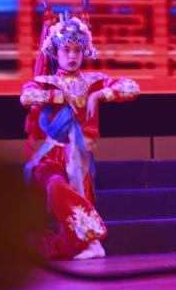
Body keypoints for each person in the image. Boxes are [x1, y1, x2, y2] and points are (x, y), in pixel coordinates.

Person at [21, 13, 139, 259]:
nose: (72, 56)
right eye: (66, 50)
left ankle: (90, 245)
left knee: (74, 205)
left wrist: (98, 95)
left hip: (80, 156)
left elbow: (131, 87)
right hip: (52, 154)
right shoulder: (47, 82)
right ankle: (93, 238)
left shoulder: (93, 81)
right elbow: (27, 97)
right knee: (55, 187)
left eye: (77, 50)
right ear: (55, 53)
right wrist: (58, 97)